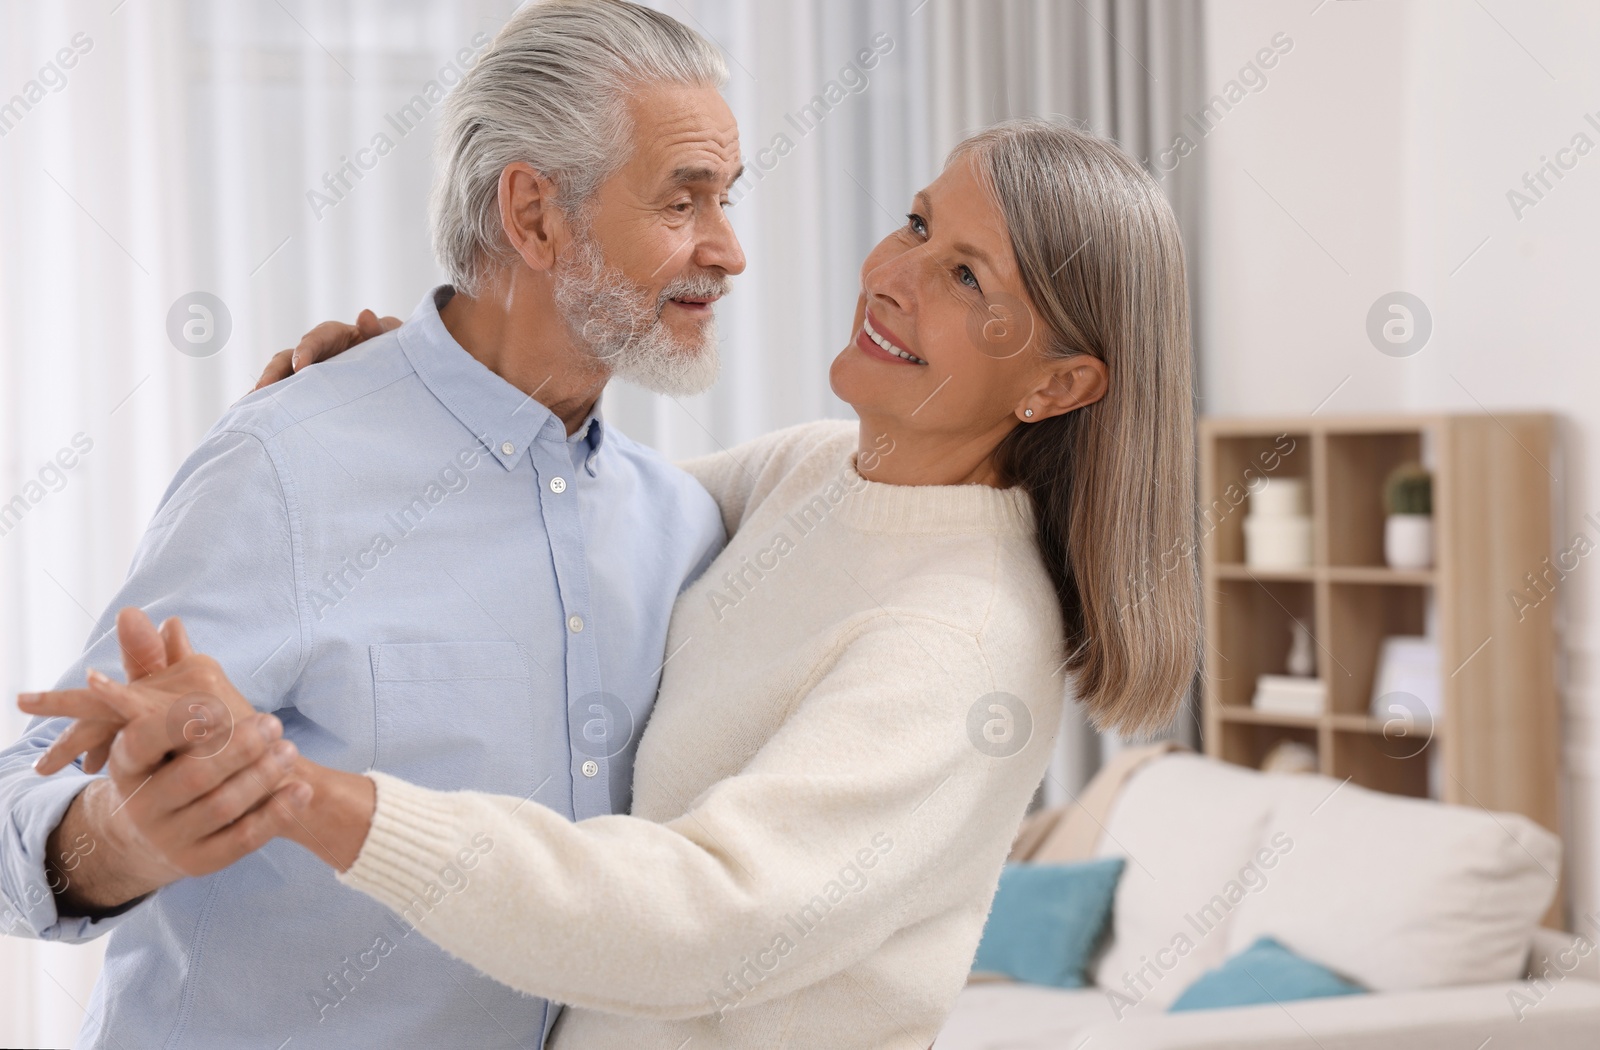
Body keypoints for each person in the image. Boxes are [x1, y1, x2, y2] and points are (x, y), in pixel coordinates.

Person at [24, 116, 1201, 1047]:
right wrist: (390, 410)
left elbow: (705, 918)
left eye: (966, 278)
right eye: (913, 224)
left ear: (1055, 387)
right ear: (533, 213)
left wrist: (302, 795)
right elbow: (553, 502)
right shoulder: (808, 479)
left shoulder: (964, 635)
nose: (893, 274)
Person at [0, 2, 745, 1046]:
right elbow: (21, 805)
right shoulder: (288, 460)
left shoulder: (687, 528)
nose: (730, 249)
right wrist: (126, 837)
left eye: (727, 199)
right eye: (684, 201)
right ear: (533, 216)